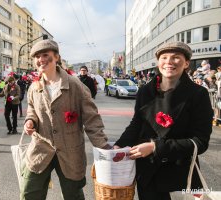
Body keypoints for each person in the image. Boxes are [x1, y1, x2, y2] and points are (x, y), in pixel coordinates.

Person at [113, 42, 213, 200]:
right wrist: (118, 146)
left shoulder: (198, 94)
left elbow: (200, 142)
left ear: (186, 63)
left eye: (176, 57)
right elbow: (136, 124)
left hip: (178, 173)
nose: (169, 62)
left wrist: (155, 147)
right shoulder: (146, 91)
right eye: (164, 57)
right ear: (158, 62)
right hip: (146, 171)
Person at [21, 39, 110, 200]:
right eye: (37, 56)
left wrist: (103, 146)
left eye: (45, 55)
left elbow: (92, 119)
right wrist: (30, 121)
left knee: (73, 195)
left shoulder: (75, 85)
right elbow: (32, 109)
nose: (41, 59)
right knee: (29, 193)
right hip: (40, 148)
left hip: (71, 151)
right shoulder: (34, 87)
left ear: (56, 57)